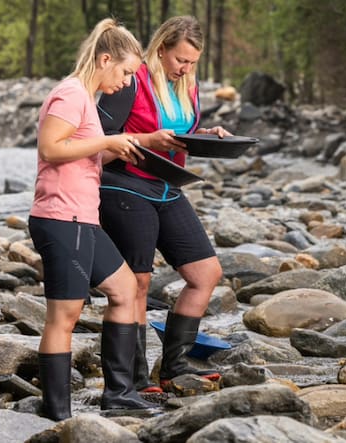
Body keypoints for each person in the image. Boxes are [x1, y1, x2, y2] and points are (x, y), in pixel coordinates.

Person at [28, 18, 156, 420]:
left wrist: (120, 149)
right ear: (104, 59)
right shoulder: (70, 94)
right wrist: (106, 139)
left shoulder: (86, 97)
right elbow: (51, 148)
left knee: (123, 289)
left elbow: (82, 152)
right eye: (125, 72)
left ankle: (118, 394)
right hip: (62, 219)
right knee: (63, 316)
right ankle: (57, 414)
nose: (126, 82)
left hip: (84, 219)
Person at [96, 16, 228, 392]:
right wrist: (148, 141)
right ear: (161, 49)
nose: (185, 69)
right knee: (137, 282)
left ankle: (173, 366)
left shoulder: (187, 84)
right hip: (126, 186)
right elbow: (100, 141)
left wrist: (206, 137)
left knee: (206, 274)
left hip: (169, 187)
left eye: (192, 63)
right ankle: (135, 378)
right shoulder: (130, 80)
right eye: (179, 60)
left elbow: (178, 133)